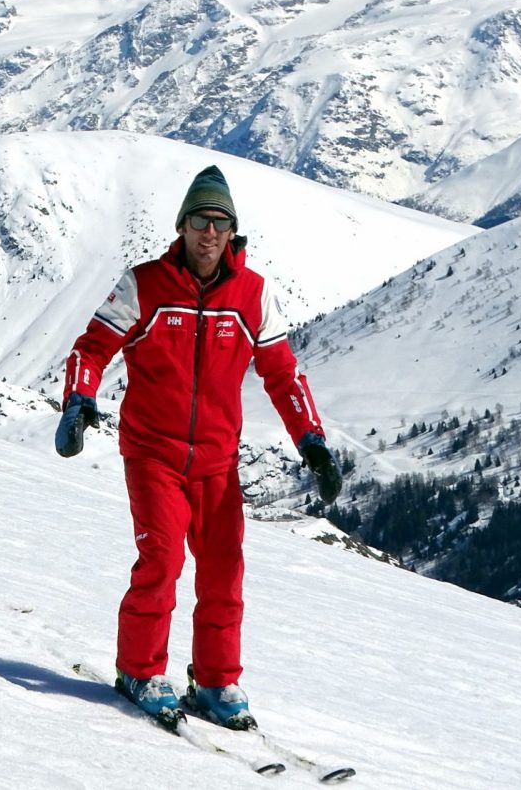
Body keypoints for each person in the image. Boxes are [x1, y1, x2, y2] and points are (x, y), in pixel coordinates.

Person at [56, 164, 342, 730]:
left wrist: (313, 441)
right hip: (153, 453)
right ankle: (139, 670)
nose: (208, 233)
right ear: (181, 226)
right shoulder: (145, 284)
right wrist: (77, 401)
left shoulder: (253, 295)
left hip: (216, 460)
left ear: (232, 232)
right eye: (198, 221)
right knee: (162, 558)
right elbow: (91, 349)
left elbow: (282, 375)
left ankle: (215, 683)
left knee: (223, 570)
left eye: (219, 223)